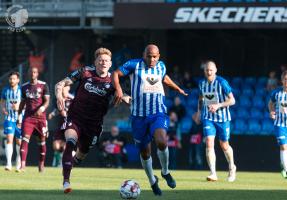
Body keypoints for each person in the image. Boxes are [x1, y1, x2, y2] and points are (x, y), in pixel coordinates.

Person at [113, 44, 188, 196]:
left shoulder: (161, 66)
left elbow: (164, 77)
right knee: (145, 153)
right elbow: (115, 73)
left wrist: (176, 88)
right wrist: (119, 89)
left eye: (154, 56)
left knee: (162, 141)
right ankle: (152, 181)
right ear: (144, 55)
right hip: (138, 116)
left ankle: (165, 172)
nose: (152, 59)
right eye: (149, 56)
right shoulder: (134, 65)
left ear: (158, 56)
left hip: (157, 113)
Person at [55, 47, 128, 194]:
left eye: (106, 60)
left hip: (94, 124)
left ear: (110, 63)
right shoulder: (85, 72)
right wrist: (58, 96)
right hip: (76, 117)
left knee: (82, 153)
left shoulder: (113, 81)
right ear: (95, 62)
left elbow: (125, 96)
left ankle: (71, 163)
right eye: (100, 60)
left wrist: (129, 99)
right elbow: (60, 84)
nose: (103, 62)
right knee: (70, 142)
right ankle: (66, 181)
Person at [197, 60, 236, 182]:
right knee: (209, 141)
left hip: (223, 119)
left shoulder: (222, 82)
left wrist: (218, 105)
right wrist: (198, 112)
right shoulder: (202, 83)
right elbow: (200, 98)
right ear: (204, 71)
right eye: (207, 70)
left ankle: (232, 167)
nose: (209, 72)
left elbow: (232, 101)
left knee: (224, 145)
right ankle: (213, 173)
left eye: (211, 70)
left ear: (215, 70)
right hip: (208, 118)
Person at [18, 67, 50, 172]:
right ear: (28, 73)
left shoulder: (43, 85)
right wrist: (19, 117)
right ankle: (22, 165)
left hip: (41, 118)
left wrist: (41, 108)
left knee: (42, 141)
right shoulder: (24, 87)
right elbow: (22, 103)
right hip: (28, 117)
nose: (33, 73)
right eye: (31, 72)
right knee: (25, 139)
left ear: (37, 74)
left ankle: (41, 165)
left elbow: (47, 101)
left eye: (35, 72)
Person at [0, 72, 22, 171]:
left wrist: (19, 107)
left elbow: (27, 103)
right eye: (10, 79)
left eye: (14, 79)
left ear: (18, 80)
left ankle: (18, 163)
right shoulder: (5, 90)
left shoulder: (22, 90)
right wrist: (4, 109)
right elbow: (2, 101)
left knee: (19, 142)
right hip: (9, 119)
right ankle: (8, 164)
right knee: (9, 139)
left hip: (20, 119)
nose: (12, 81)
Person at [48, 85, 74, 167]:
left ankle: (62, 163)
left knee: (65, 146)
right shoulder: (60, 99)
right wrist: (52, 114)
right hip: (61, 126)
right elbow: (57, 110)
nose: (63, 90)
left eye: (65, 88)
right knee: (56, 146)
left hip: (70, 126)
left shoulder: (73, 99)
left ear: (68, 89)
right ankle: (58, 160)